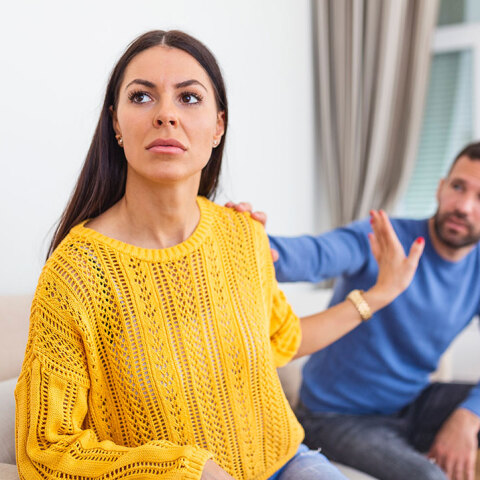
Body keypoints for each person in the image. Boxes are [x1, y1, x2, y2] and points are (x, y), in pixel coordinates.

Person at [15, 30, 423, 480]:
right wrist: (186, 470)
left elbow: (282, 340)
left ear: (218, 127)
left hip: (287, 463)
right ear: (115, 123)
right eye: (142, 97)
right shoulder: (75, 273)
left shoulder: (242, 233)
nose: (166, 114)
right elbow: (46, 450)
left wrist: (380, 294)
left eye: (189, 98)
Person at [263, 143, 480, 480]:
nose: (464, 206)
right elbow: (314, 254)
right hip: (334, 416)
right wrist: (246, 239)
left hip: (411, 405)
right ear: (440, 188)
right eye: (458, 187)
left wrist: (468, 415)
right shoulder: (384, 237)